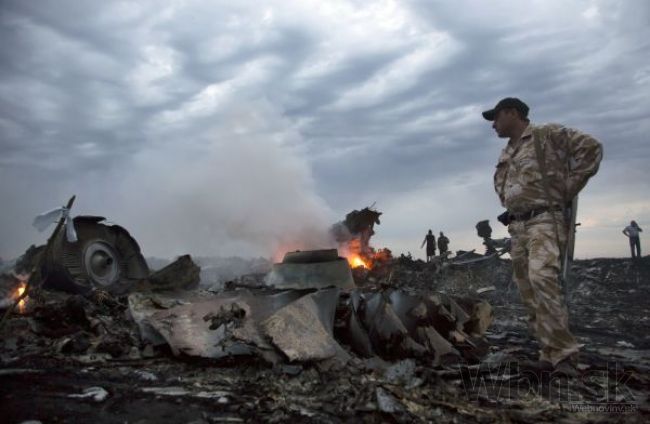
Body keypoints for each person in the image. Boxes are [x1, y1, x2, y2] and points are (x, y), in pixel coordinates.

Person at [483, 97, 603, 373]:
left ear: (512, 113)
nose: (493, 125)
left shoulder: (546, 135)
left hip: (544, 221)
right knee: (528, 289)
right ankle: (548, 352)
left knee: (543, 279)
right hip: (518, 226)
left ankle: (564, 354)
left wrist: (566, 190)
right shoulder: (507, 152)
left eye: (496, 117)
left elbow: (592, 148)